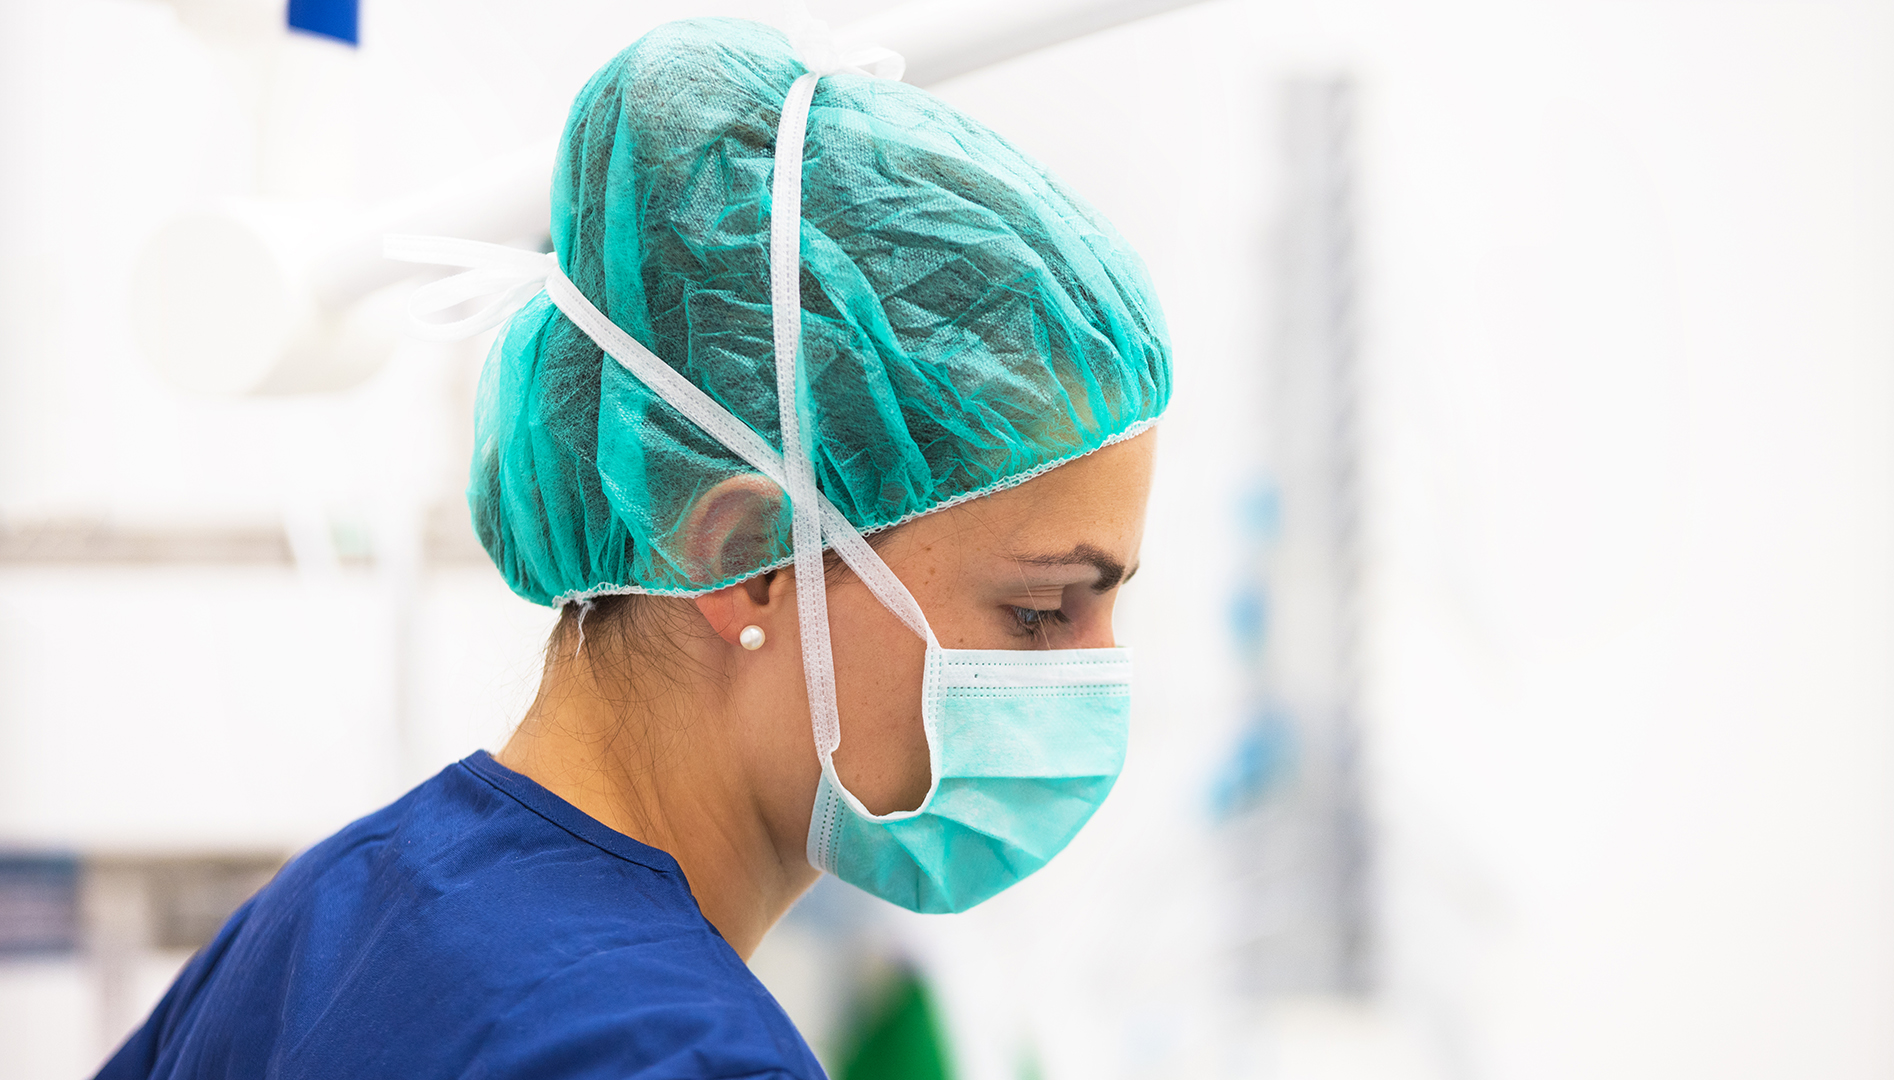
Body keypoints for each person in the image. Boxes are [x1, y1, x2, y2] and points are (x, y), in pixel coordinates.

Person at [98, 15, 1169, 1080]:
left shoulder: (320, 920)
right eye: (1040, 610)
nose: (1097, 675)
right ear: (750, 560)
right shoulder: (672, 1055)